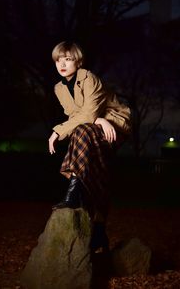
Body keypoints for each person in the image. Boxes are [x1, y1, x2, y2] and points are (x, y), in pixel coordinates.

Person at [48, 41, 131, 252]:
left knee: (81, 131)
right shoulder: (59, 88)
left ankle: (73, 192)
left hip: (115, 125)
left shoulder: (89, 78)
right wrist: (96, 121)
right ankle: (100, 228)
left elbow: (87, 113)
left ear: (79, 61)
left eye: (68, 59)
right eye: (59, 60)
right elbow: (77, 115)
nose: (62, 64)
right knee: (98, 169)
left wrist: (58, 131)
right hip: (91, 127)